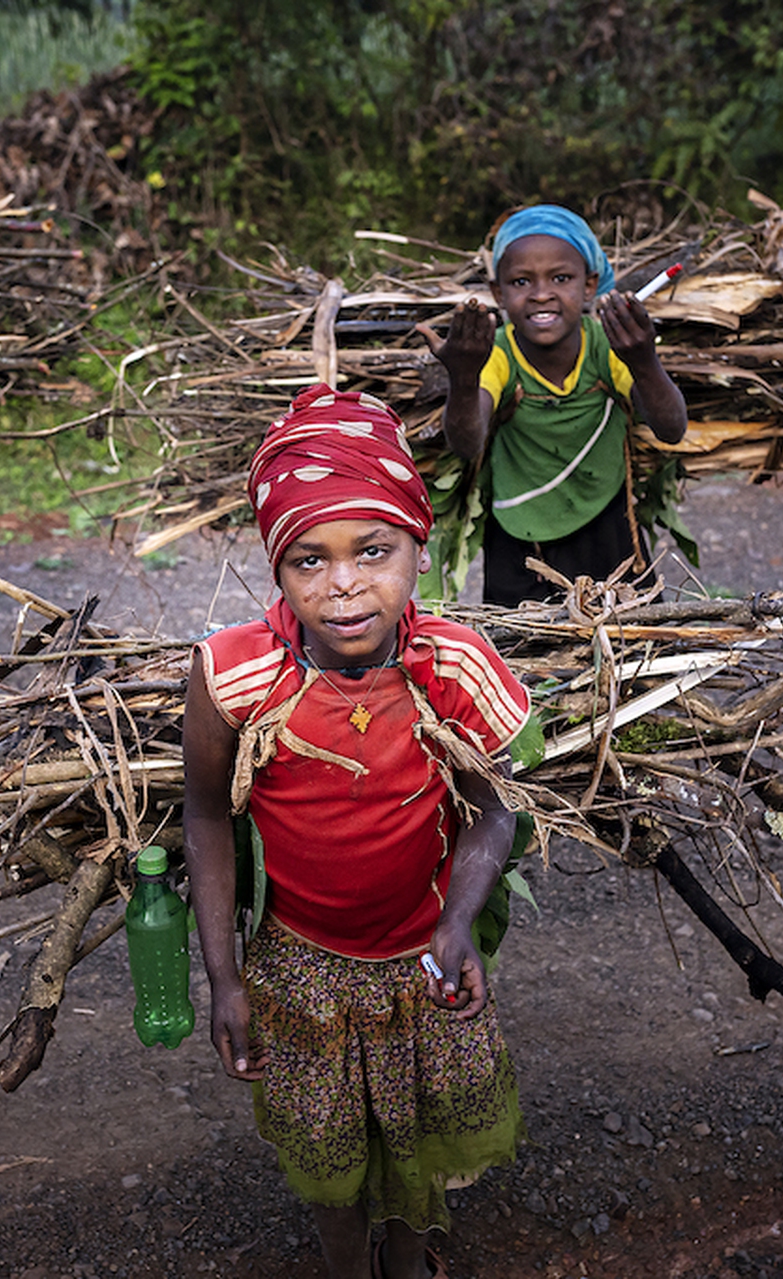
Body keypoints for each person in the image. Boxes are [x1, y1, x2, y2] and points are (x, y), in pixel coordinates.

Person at [183, 384, 532, 1279]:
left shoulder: (451, 663)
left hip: (422, 954)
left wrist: (458, 924)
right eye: (308, 560)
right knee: (331, 1158)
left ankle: (408, 1262)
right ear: (277, 569)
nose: (342, 585)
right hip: (302, 966)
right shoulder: (234, 674)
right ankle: (347, 1265)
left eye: (372, 551)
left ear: (420, 546)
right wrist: (224, 974)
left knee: (417, 1145)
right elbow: (207, 814)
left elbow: (494, 807)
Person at [420, 204, 690, 606]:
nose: (541, 293)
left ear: (589, 285)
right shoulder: (498, 354)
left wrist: (644, 360)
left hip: (608, 526)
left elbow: (671, 428)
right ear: (498, 293)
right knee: (524, 654)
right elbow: (466, 442)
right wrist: (463, 377)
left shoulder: (606, 345)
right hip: (519, 540)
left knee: (631, 647)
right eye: (521, 281)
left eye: (560, 278)